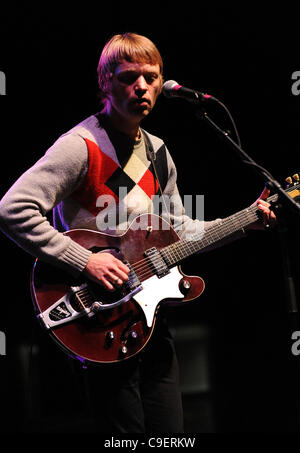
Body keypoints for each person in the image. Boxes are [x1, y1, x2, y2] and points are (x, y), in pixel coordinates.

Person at [0, 32, 276, 433]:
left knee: (171, 434)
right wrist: (86, 260)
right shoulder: (80, 146)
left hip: (146, 317)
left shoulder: (159, 152)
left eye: (150, 77)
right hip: (95, 317)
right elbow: (12, 209)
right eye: (129, 77)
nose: (141, 87)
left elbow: (182, 230)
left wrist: (245, 221)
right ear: (105, 82)